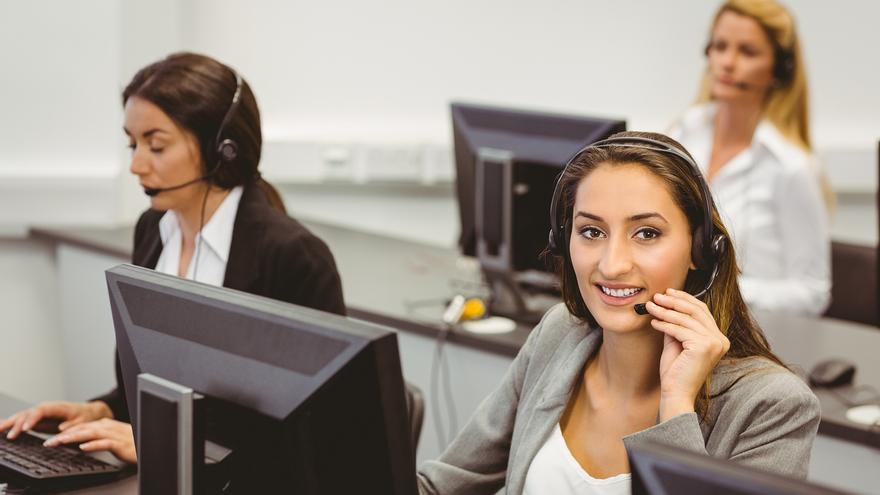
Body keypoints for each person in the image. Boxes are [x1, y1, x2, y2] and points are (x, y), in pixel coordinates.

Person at [416, 132, 819, 494]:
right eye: (591, 232)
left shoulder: (772, 407)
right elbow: (442, 487)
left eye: (647, 233)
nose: (612, 265)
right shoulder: (558, 336)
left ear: (701, 250)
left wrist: (677, 404)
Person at [0, 52, 346, 464]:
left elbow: (311, 439)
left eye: (156, 145)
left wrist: (169, 447)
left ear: (223, 149)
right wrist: (104, 410)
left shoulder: (292, 257)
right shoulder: (154, 230)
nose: (135, 165)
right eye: (133, 143)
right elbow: (164, 390)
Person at [668, 0, 832, 315]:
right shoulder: (682, 134)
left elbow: (813, 293)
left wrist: (721, 286)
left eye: (747, 52)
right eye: (720, 46)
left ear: (779, 70)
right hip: (678, 323)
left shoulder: (791, 168)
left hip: (751, 337)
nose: (728, 62)